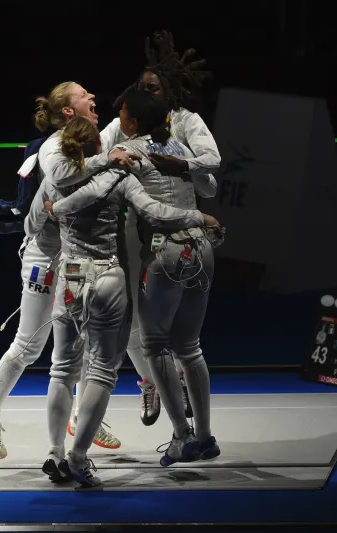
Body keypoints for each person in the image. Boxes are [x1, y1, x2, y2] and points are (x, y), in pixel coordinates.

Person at [28, 116, 220, 486]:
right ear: (99, 148)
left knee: (61, 367)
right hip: (106, 277)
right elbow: (156, 212)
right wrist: (197, 215)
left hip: (69, 276)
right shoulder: (119, 178)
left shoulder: (54, 182)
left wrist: (56, 213)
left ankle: (54, 450)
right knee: (101, 370)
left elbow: (32, 225)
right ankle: (78, 457)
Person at [0, 81, 137, 460]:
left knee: (79, 343)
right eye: (84, 96)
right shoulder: (53, 147)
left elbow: (124, 123)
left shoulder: (95, 135)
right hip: (45, 258)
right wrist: (106, 162)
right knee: (29, 344)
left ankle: (79, 417)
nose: (93, 98)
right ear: (67, 111)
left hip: (77, 258)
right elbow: (62, 177)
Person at [112, 31, 222, 426]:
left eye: (154, 87)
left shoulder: (187, 124)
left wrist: (183, 166)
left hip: (170, 236)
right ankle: (152, 383)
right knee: (131, 325)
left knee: (170, 335)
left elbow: (210, 169)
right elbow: (98, 152)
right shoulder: (125, 126)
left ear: (170, 91)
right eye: (142, 88)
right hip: (136, 233)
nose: (147, 92)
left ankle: (181, 416)